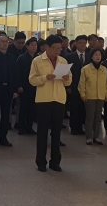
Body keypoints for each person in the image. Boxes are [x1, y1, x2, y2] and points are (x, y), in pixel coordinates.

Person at [30, 35, 71, 172]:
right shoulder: (37, 61)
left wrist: (66, 78)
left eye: (60, 48)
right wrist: (45, 78)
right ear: (47, 47)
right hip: (43, 100)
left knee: (56, 132)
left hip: (59, 99)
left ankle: (55, 161)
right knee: (42, 132)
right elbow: (32, 80)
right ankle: (41, 161)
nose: (58, 51)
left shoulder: (63, 60)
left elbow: (69, 81)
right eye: (55, 48)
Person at [78, 48, 107, 145]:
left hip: (100, 96)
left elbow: (106, 84)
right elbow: (81, 83)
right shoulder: (85, 69)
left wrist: (106, 94)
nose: (97, 56)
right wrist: (83, 94)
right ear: (91, 57)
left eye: (99, 55)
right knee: (90, 117)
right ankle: (88, 137)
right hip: (89, 96)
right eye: (95, 55)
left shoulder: (104, 69)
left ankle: (97, 137)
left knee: (98, 118)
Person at [66, 35, 89, 136]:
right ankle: (74, 127)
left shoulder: (89, 56)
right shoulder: (69, 57)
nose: (82, 45)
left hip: (86, 87)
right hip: (73, 85)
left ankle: (80, 127)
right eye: (80, 43)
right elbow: (66, 72)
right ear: (76, 43)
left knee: (83, 108)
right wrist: (68, 87)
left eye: (84, 43)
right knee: (74, 107)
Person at [16, 38, 39, 135]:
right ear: (27, 46)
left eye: (35, 45)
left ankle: (29, 126)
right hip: (24, 86)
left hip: (35, 86)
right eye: (32, 45)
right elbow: (18, 73)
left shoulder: (38, 58)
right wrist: (19, 85)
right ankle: (21, 127)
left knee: (32, 108)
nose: (34, 47)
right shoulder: (21, 58)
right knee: (23, 108)